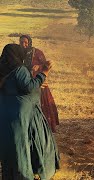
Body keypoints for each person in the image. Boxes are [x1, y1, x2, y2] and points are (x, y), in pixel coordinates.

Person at [0, 44, 59, 179]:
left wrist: (36, 82)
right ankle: (23, 176)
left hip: (4, 113)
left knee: (10, 147)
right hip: (19, 115)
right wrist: (43, 73)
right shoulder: (19, 69)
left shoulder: (2, 70)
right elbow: (28, 87)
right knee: (21, 147)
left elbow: (15, 87)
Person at [19, 35, 59, 132]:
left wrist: (39, 66)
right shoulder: (19, 53)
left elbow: (47, 65)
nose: (23, 45)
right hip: (26, 84)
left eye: (25, 42)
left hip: (39, 82)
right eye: (21, 42)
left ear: (30, 42)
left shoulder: (37, 52)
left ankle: (45, 127)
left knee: (42, 104)